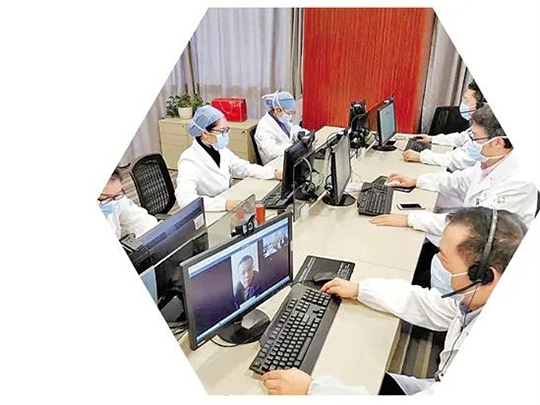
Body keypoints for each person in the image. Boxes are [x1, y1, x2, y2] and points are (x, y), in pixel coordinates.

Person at [261, 207, 526, 395]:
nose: (438, 261)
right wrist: (360, 290)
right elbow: (431, 305)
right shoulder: (480, 297)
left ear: (483, 276)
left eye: (445, 259)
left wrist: (312, 390)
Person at [175, 105, 282, 212]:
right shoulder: (189, 160)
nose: (225, 135)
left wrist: (273, 173)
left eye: (227, 130)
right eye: (222, 131)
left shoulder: (219, 149)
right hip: (209, 211)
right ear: (204, 133)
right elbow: (185, 199)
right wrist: (223, 204)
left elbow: (243, 167)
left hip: (226, 201)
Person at [402, 80, 486, 172]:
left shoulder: (485, 133)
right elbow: (459, 138)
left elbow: (458, 160)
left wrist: (421, 156)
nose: (463, 104)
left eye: (467, 101)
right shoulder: (478, 125)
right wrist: (431, 139)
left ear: (480, 106)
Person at [98, 169, 158, 239]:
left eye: (118, 193)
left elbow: (139, 220)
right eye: (105, 197)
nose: (112, 201)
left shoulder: (118, 199)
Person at [255, 91, 307, 165]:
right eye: (288, 113)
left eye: (292, 112)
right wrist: (295, 147)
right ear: (277, 109)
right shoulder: (264, 127)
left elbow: (292, 129)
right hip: (276, 164)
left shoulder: (281, 119)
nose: (290, 115)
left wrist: (299, 133)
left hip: (290, 159)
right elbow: (272, 151)